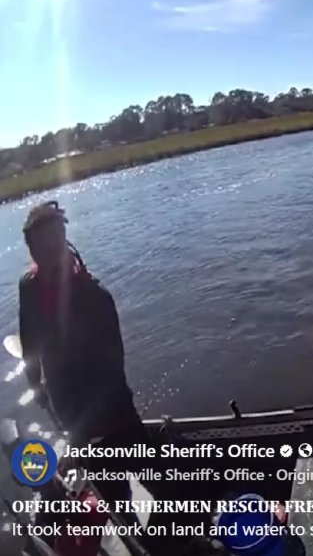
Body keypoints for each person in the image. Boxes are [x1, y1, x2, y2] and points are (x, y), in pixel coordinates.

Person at [18, 201, 215, 556]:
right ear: (31, 250)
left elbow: (112, 371)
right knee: (116, 501)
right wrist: (37, 387)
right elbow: (29, 342)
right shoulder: (28, 289)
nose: (50, 255)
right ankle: (143, 545)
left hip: (114, 416)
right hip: (70, 415)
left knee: (158, 483)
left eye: (56, 244)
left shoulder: (96, 297)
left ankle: (193, 542)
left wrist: (82, 431)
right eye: (40, 248)